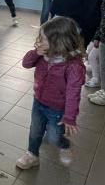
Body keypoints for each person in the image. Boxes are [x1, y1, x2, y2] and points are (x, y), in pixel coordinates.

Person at [16, 17, 85, 170]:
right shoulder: (43, 54)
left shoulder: (74, 66)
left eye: (43, 39)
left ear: (58, 42)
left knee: (54, 137)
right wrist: (36, 53)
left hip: (57, 108)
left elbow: (73, 93)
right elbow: (26, 64)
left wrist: (70, 117)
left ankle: (64, 144)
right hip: (38, 101)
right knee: (35, 130)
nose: (39, 41)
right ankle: (32, 154)